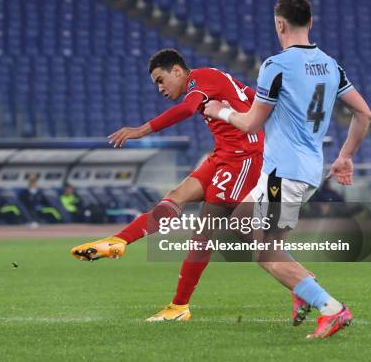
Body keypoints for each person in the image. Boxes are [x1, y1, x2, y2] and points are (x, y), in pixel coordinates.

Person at [204, 0, 371, 338]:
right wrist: (346, 156)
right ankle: (303, 289)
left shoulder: (275, 65)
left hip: (284, 173)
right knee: (240, 222)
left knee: (266, 255)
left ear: (279, 23)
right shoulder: (329, 64)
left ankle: (331, 308)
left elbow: (251, 123)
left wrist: (219, 110)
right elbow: (364, 113)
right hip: (305, 170)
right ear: (309, 22)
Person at [71, 48, 266, 321]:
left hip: (242, 159)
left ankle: (179, 307)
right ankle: (118, 241)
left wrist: (140, 130)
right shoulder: (214, 81)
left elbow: (187, 109)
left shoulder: (200, 80)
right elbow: (255, 99)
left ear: (177, 71)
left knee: (205, 230)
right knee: (176, 197)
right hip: (222, 155)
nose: (160, 88)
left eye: (161, 80)